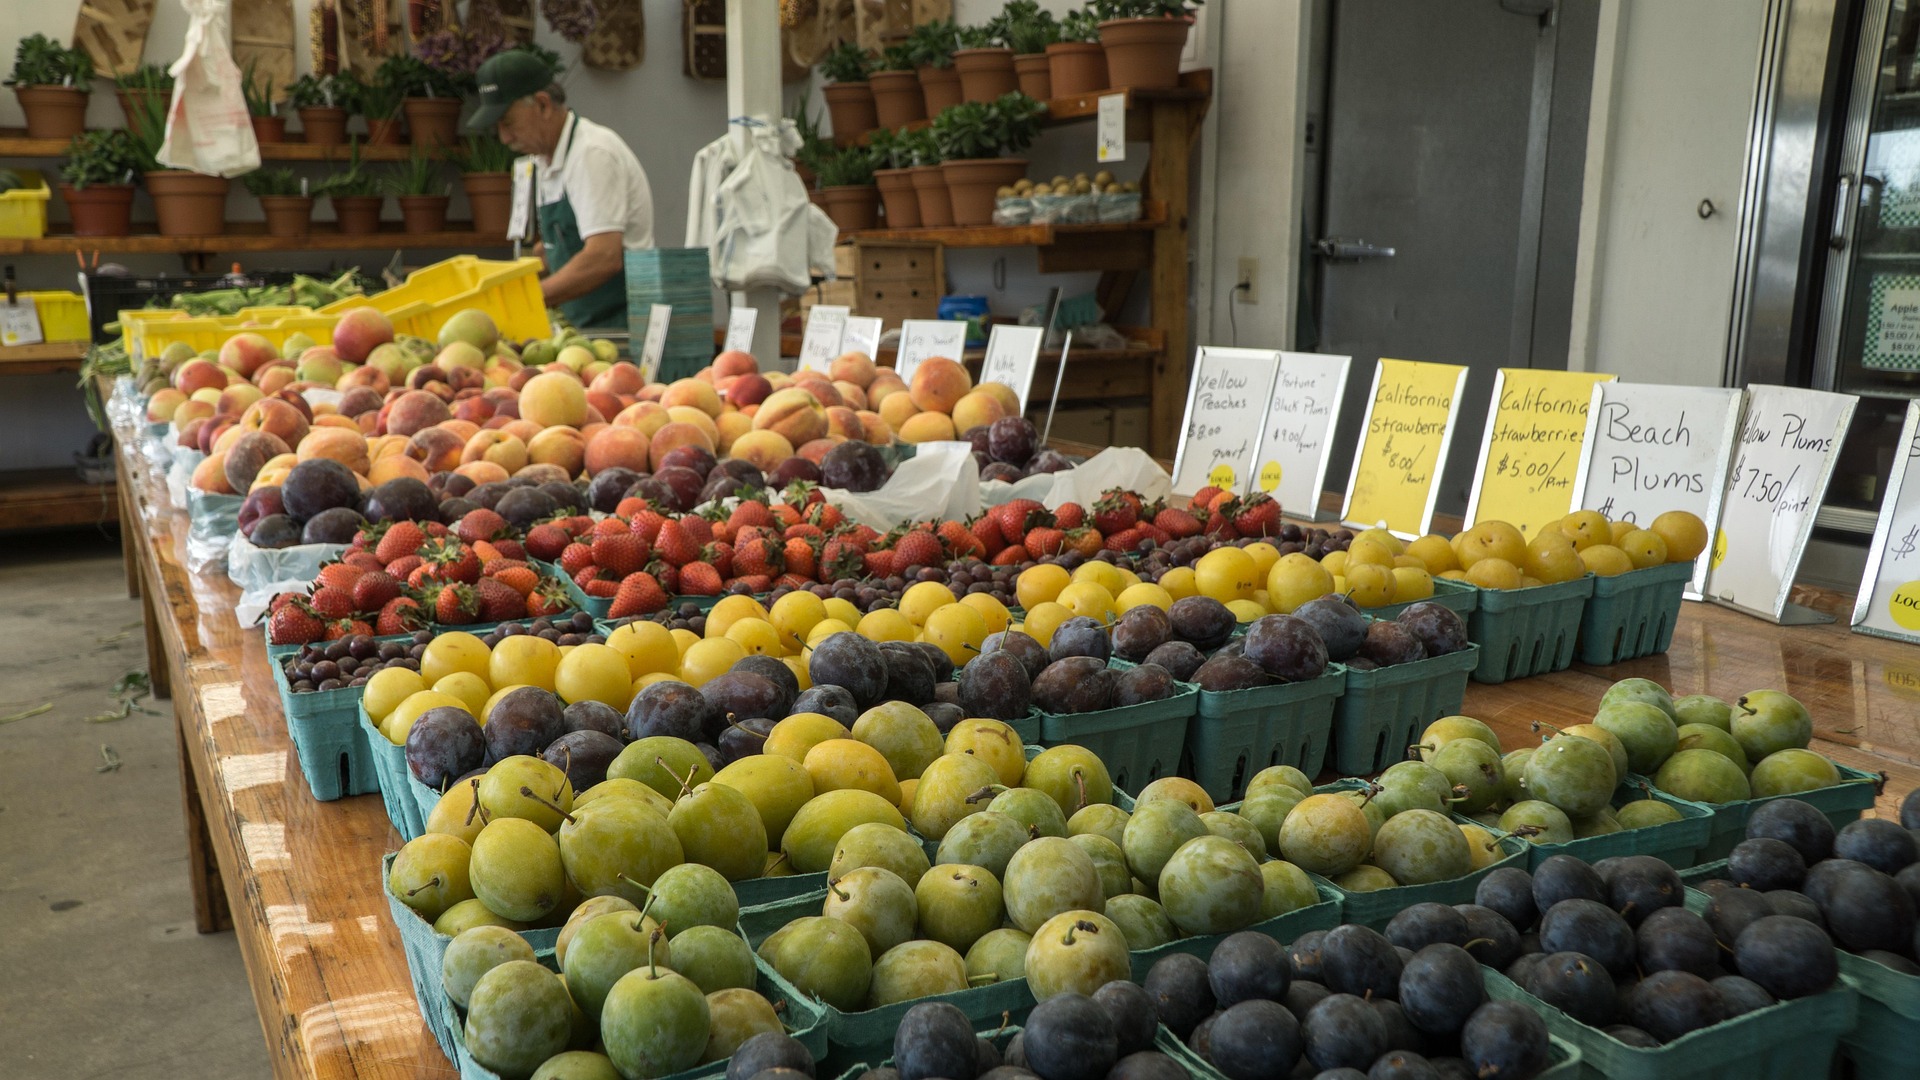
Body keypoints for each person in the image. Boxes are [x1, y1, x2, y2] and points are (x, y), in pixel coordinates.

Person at [465, 50, 655, 329]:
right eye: (498, 128)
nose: (504, 138)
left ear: (542, 105)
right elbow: (561, 245)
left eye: (509, 123)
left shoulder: (591, 154)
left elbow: (604, 255)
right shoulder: (545, 159)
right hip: (583, 327)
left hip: (621, 327)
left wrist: (529, 300)